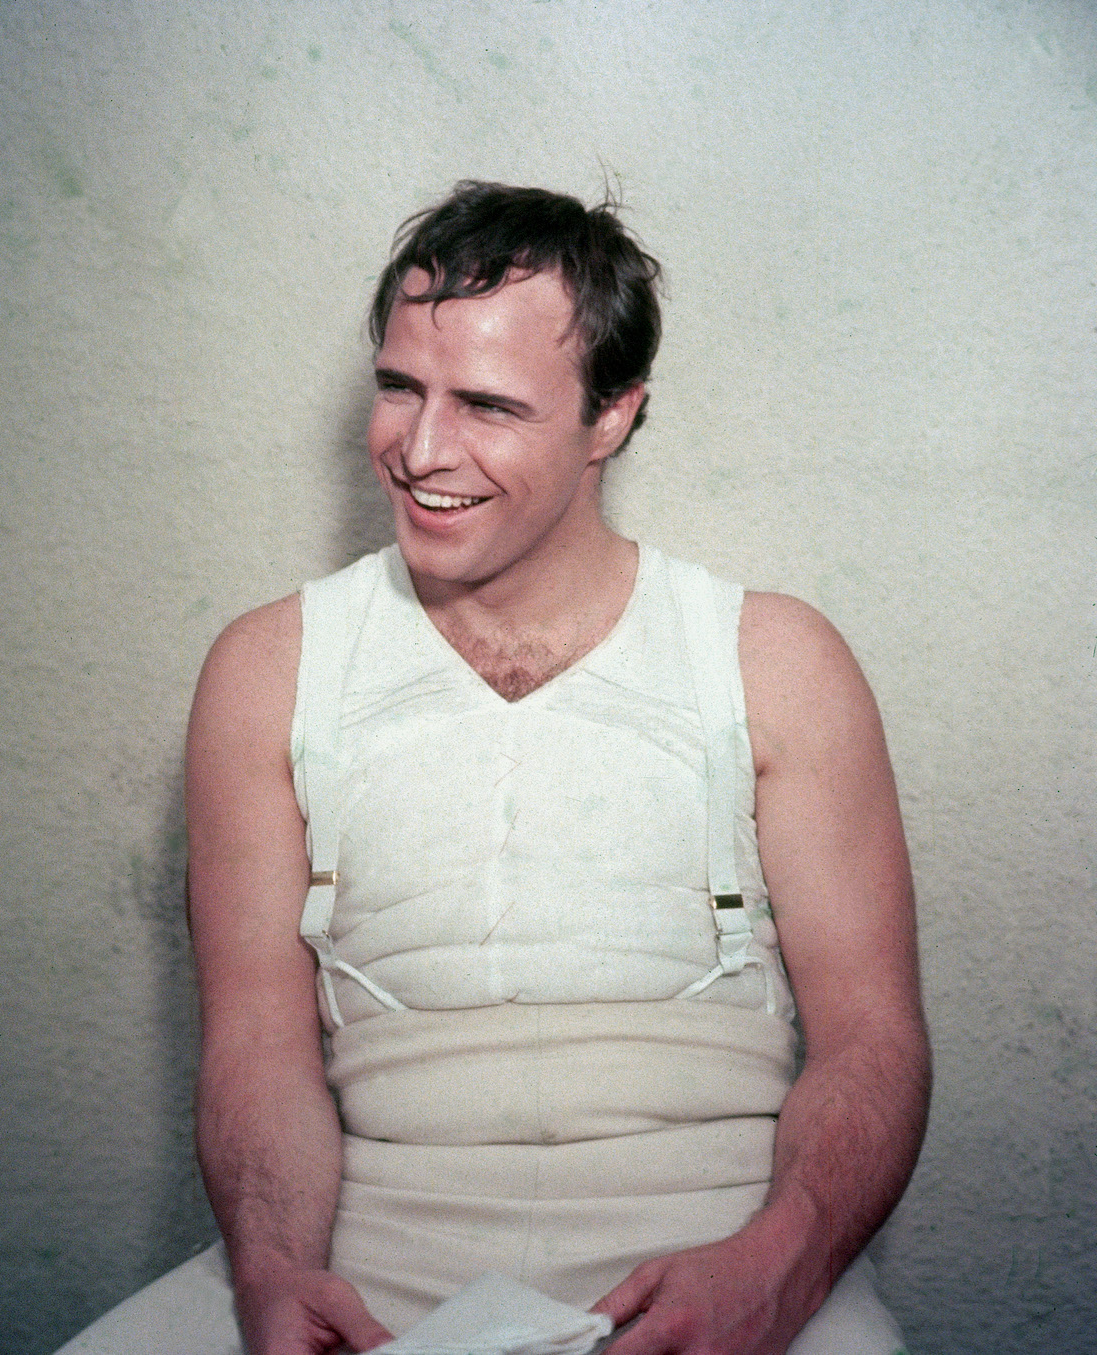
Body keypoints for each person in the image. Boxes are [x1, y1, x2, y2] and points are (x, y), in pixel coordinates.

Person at [55, 182, 930, 1355]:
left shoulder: (774, 660)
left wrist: (779, 1267)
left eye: (487, 404)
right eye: (400, 386)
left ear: (611, 415)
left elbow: (875, 1039)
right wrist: (270, 1273)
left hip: (717, 1246)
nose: (420, 450)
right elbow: (256, 1044)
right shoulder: (268, 669)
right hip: (369, 1258)